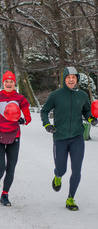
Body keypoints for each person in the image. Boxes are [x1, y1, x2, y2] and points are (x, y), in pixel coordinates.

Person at [40, 66, 98, 211]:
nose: (71, 80)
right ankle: (57, 176)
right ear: (64, 79)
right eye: (68, 77)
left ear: (77, 79)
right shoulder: (56, 95)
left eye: (74, 77)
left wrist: (91, 119)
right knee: (62, 169)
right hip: (60, 137)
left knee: (77, 169)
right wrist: (47, 124)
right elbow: (44, 111)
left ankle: (71, 198)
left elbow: (86, 111)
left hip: (77, 137)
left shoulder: (82, 95)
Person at [0, 71, 31, 206]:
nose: (9, 83)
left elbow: (28, 116)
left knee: (10, 168)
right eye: (6, 81)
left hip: (14, 135)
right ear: (3, 83)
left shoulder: (20, 98)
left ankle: (5, 195)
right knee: (0, 167)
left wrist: (24, 120)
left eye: (11, 81)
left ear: (14, 83)